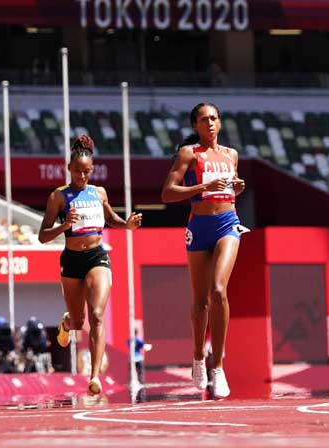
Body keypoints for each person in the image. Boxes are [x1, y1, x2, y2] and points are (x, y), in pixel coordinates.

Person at [38, 134, 143, 396]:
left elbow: (112, 220)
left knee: (97, 315)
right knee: (77, 321)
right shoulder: (58, 197)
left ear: (92, 170)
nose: (82, 176)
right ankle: (66, 323)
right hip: (72, 260)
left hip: (97, 256)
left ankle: (95, 377)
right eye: (77, 172)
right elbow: (42, 235)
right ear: (69, 169)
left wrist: (127, 225)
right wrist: (65, 224)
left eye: (87, 172)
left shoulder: (99, 193)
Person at [160, 102, 247, 399]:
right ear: (195, 125)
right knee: (200, 303)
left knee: (218, 290)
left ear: (220, 123)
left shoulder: (231, 155)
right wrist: (201, 187)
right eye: (203, 119)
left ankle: (218, 366)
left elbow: (229, 189)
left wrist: (236, 188)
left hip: (227, 223)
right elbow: (167, 193)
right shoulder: (188, 154)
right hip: (199, 226)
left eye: (213, 118)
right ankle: (198, 356)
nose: (209, 123)